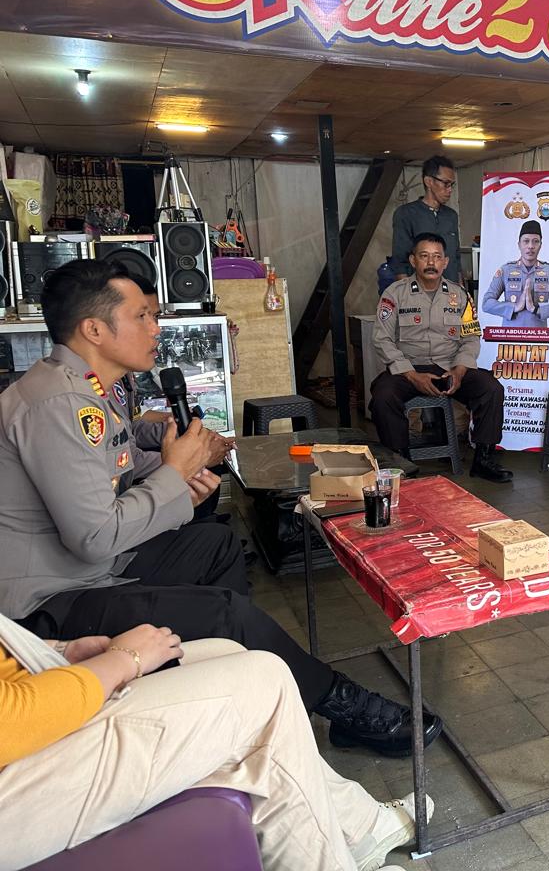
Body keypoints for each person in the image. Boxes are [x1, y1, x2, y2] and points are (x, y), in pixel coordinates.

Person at [0, 260, 440, 759]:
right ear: (94, 330)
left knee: (215, 544)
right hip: (52, 599)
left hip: (91, 567)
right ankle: (346, 708)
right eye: (141, 316)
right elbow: (95, 536)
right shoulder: (58, 404)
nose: (155, 328)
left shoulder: (88, 388)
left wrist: (182, 466)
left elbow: (122, 465)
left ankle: (234, 682)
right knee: (226, 612)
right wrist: (174, 473)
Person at [0, 617, 422, 871]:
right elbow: (12, 723)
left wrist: (59, 650)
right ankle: (350, 839)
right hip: (16, 758)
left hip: (29, 694)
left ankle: (356, 830)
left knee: (227, 651)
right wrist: (124, 660)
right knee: (262, 680)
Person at [370, 233, 512, 483]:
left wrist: (460, 370)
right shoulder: (395, 294)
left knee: (491, 389)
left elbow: (471, 337)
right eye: (424, 256)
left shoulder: (460, 295)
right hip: (409, 369)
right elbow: (382, 339)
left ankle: (484, 459)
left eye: (437, 257)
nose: (431, 263)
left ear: (445, 262)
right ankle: (400, 462)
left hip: (449, 367)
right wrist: (411, 375)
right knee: (383, 395)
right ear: (413, 260)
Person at [118, 271, 234, 520]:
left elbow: (132, 426)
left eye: (155, 317)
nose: (155, 329)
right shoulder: (86, 392)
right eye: (142, 317)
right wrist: (192, 459)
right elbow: (126, 458)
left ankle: (204, 525)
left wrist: (182, 433)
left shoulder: (121, 377)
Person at [481, 220, 549, 327]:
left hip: (538, 335)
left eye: (535, 241)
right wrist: (514, 307)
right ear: (519, 245)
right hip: (510, 335)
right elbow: (487, 303)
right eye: (526, 241)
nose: (531, 246)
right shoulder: (506, 270)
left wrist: (536, 309)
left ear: (541, 245)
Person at [390, 156, 461, 285]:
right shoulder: (406, 214)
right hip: (420, 291)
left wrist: (461, 290)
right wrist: (406, 294)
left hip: (450, 291)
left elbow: (456, 258)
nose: (450, 189)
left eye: (452, 185)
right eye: (446, 183)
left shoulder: (451, 216)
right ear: (428, 181)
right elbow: (400, 261)